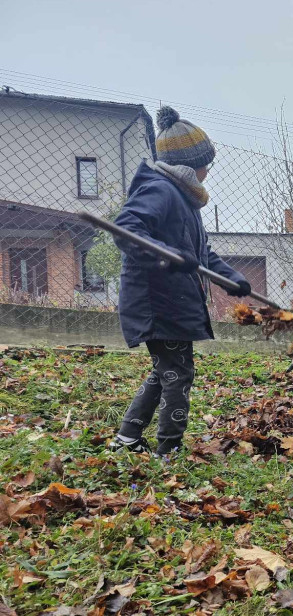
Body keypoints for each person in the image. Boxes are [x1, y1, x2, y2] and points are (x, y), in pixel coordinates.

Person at [109, 106, 250, 457]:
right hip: (158, 303)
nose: (207, 173)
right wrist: (165, 255)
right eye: (207, 165)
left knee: (166, 371)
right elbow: (128, 229)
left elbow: (201, 253)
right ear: (191, 165)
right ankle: (168, 450)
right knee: (178, 376)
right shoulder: (160, 189)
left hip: (172, 302)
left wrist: (231, 278)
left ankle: (128, 437)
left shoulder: (183, 199)